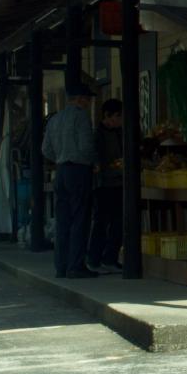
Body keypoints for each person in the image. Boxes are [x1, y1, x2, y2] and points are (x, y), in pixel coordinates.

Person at [41, 83, 96, 278]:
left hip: (61, 171)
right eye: (88, 100)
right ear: (81, 99)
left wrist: (60, 156)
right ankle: (76, 266)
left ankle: (61, 266)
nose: (89, 104)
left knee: (63, 221)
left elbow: (45, 149)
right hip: (78, 170)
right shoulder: (80, 116)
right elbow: (87, 145)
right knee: (80, 219)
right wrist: (90, 161)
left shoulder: (54, 119)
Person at [88, 98, 125, 273]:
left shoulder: (120, 132)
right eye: (117, 116)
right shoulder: (98, 134)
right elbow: (96, 161)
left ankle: (110, 257)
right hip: (103, 184)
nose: (119, 120)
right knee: (101, 223)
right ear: (107, 116)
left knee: (119, 222)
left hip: (119, 182)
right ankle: (94, 259)